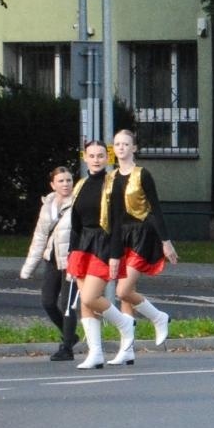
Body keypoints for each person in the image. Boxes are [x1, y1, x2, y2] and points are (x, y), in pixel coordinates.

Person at [103, 129, 179, 366]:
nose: (121, 148)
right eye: (117, 144)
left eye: (126, 144)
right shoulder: (111, 178)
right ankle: (127, 348)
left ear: (134, 148)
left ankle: (159, 317)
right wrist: (113, 252)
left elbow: (156, 209)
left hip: (143, 233)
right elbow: (113, 218)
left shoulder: (142, 175)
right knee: (127, 292)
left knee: (123, 291)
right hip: (121, 235)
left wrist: (166, 242)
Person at [65, 140, 138, 370]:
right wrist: (71, 253)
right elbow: (75, 223)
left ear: (108, 158)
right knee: (85, 305)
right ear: (84, 158)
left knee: (89, 297)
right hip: (82, 245)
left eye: (100, 156)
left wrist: (116, 254)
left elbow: (118, 223)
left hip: (105, 244)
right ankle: (95, 353)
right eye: (91, 156)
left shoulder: (114, 184)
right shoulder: (80, 185)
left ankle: (125, 325)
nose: (96, 160)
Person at [20, 164, 78, 362]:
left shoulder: (77, 203)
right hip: (52, 258)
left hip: (71, 260)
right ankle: (70, 335)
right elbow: (39, 237)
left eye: (69, 180)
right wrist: (29, 268)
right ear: (52, 185)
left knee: (68, 303)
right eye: (61, 181)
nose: (65, 184)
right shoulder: (48, 206)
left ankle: (67, 347)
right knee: (47, 301)